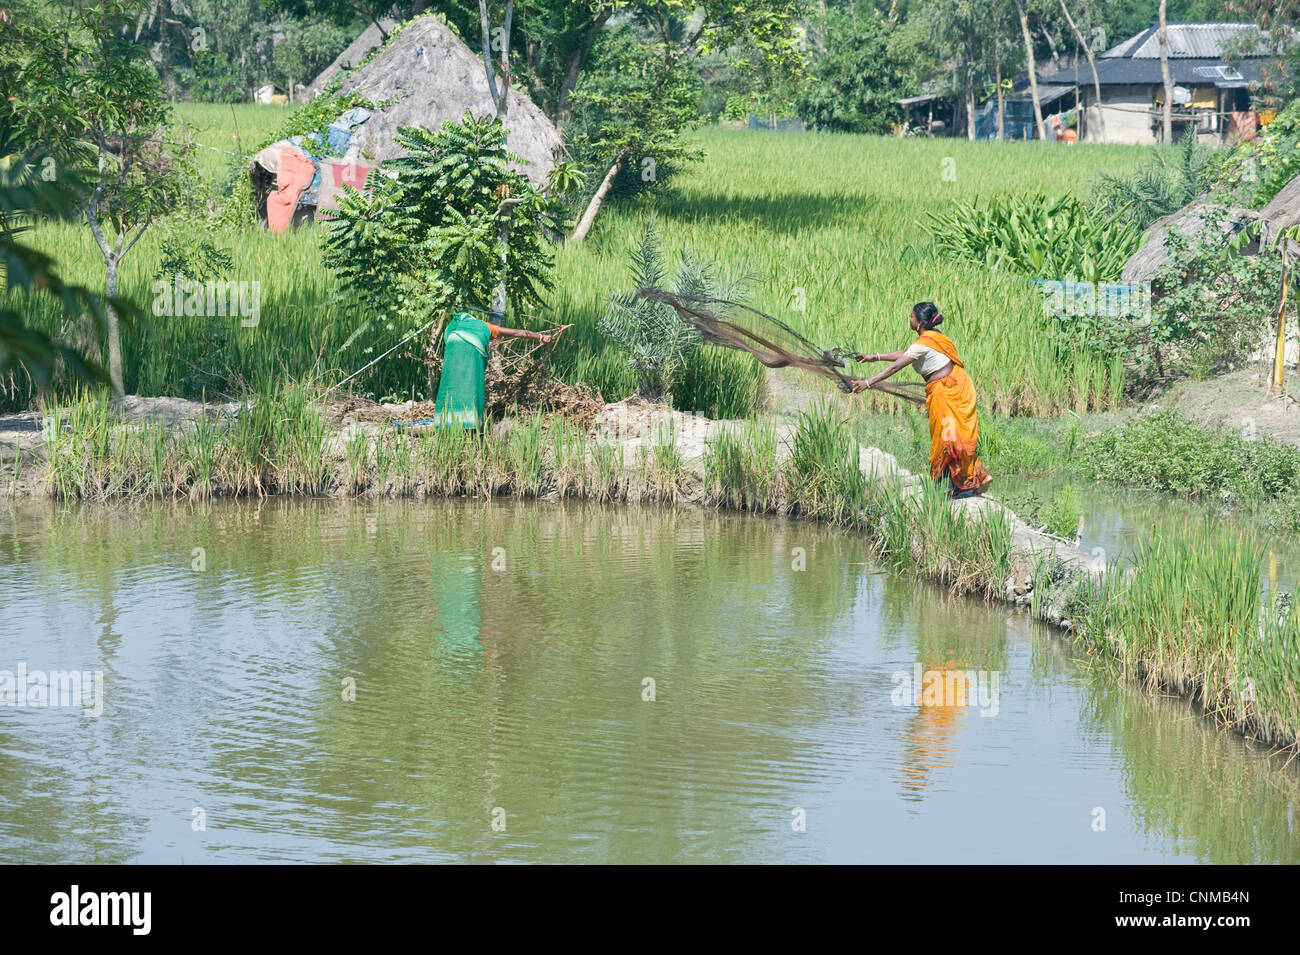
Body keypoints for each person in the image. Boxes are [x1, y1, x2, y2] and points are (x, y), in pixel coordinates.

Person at [850, 302, 992, 499]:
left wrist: (868, 382)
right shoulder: (933, 337)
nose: (909, 319)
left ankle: (955, 486)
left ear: (918, 323)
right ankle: (966, 480)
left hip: (946, 390)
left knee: (946, 437)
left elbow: (896, 366)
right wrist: (874, 357)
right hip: (955, 385)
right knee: (950, 435)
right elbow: (906, 354)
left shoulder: (924, 343)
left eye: (911, 317)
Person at [432, 311, 556, 430]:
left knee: (450, 384)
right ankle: (470, 423)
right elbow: (518, 332)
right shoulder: (483, 326)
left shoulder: (452, 327)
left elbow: (447, 340)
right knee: (472, 386)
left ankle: (445, 422)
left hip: (452, 353)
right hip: (473, 354)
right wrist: (540, 336)